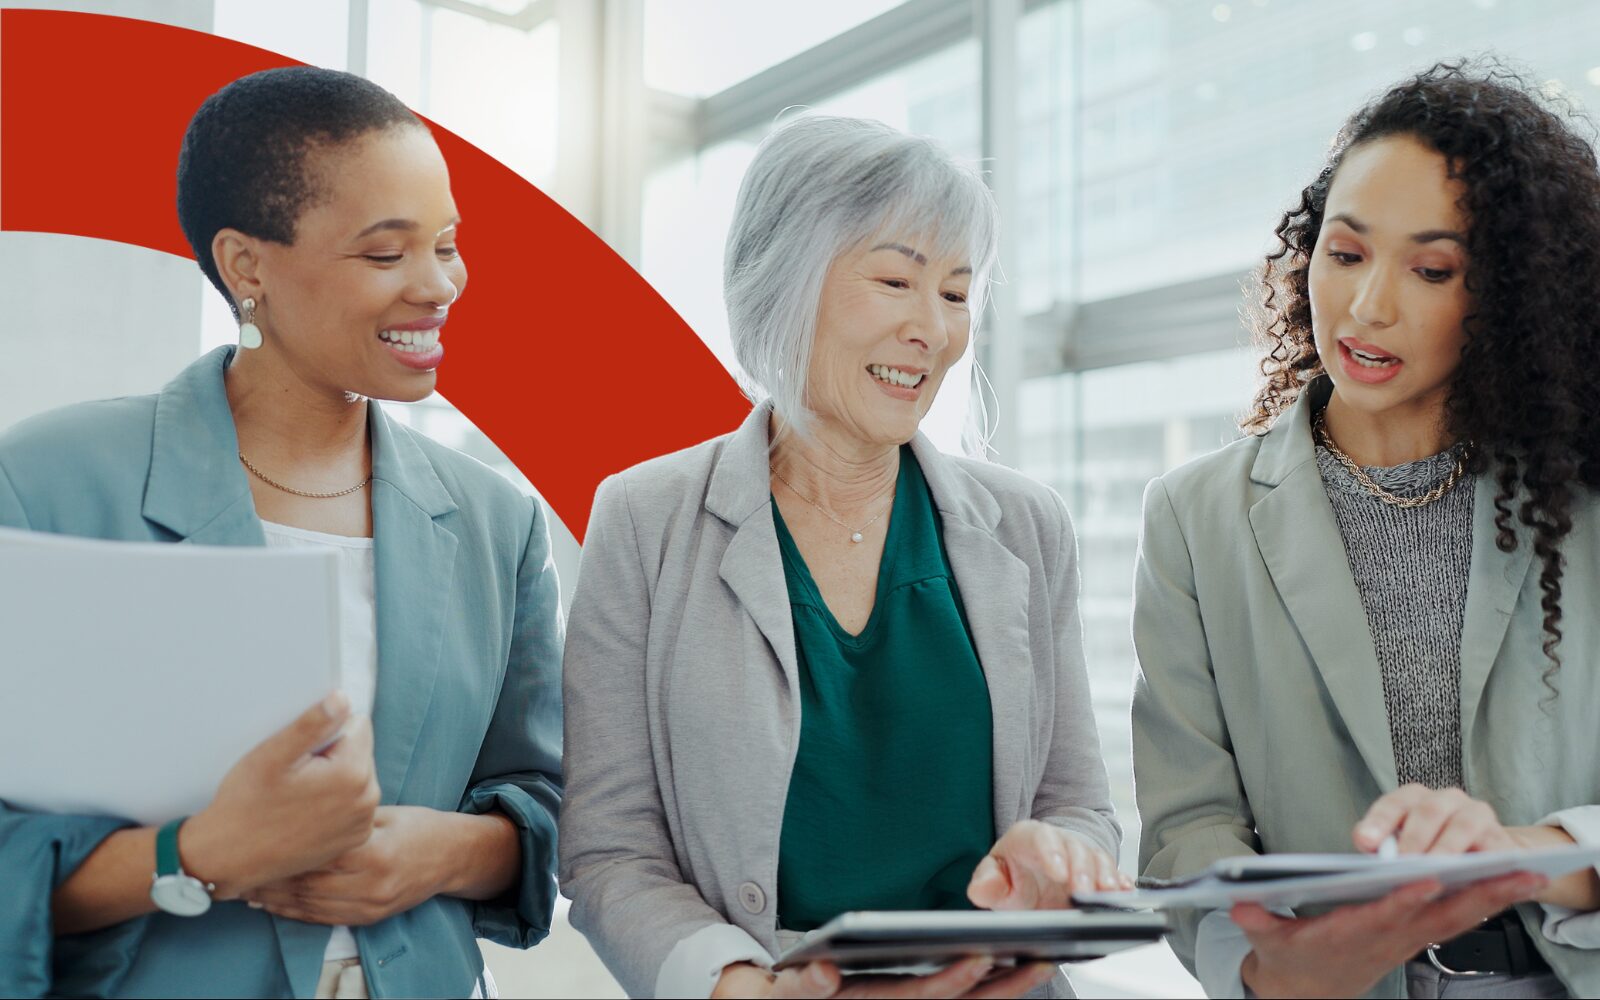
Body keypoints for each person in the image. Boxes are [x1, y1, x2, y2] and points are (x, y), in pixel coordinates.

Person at [0, 66, 562, 998]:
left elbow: (548, 800)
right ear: (246, 265)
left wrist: (443, 853)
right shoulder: (45, 484)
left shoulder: (496, 521)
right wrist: (195, 853)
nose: (439, 285)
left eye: (447, 244)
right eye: (385, 254)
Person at [559, 115, 1128, 1000]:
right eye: (896, 280)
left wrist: (1062, 860)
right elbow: (610, 848)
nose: (933, 330)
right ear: (783, 283)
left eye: (955, 293)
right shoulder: (645, 519)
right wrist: (737, 985)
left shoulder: (1027, 524)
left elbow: (1079, 806)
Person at [1131, 61, 1600, 998]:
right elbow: (1188, 827)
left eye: (1432, 270)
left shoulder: (1581, 501)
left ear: (1510, 296)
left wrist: (1524, 853)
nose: (1368, 305)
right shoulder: (1194, 517)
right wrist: (1265, 965)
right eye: (1345, 254)